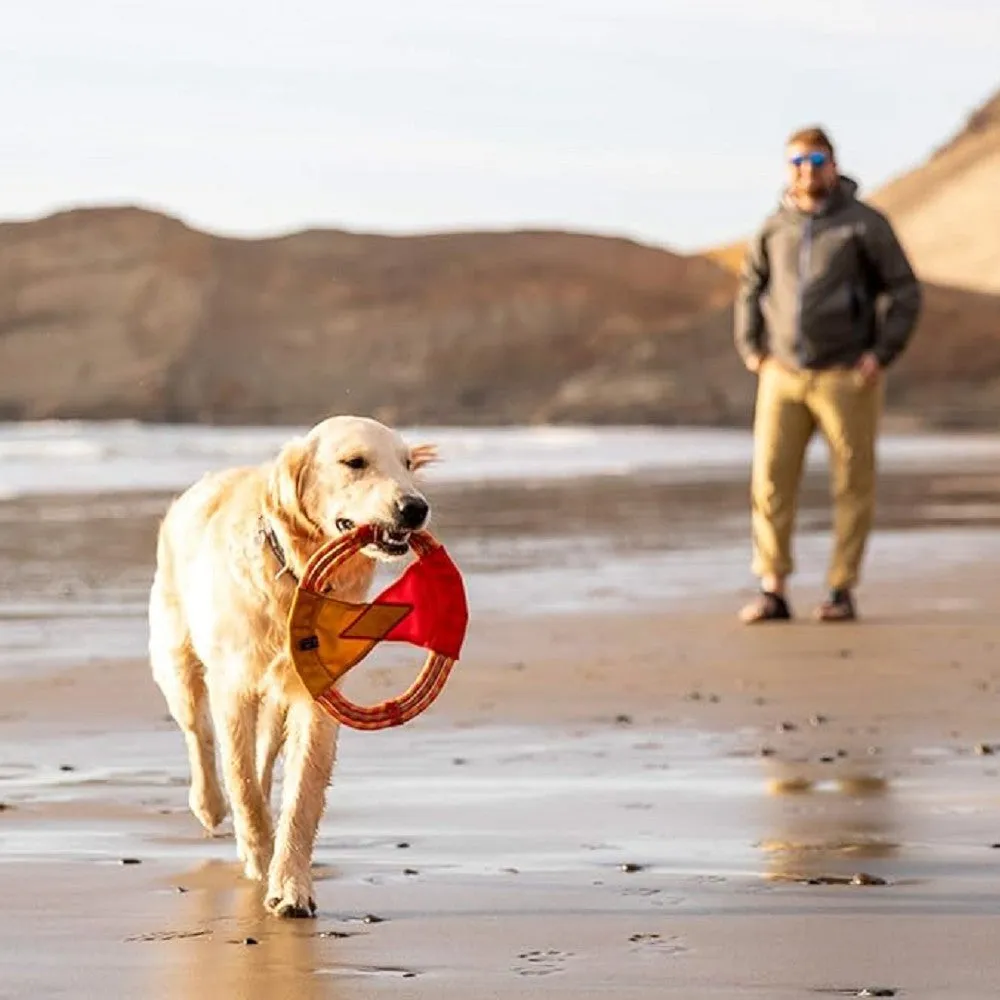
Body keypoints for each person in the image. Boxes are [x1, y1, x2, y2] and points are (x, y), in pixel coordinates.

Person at [733, 125, 922, 623]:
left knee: (852, 483)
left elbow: (904, 290)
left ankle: (841, 589)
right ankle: (771, 588)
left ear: (833, 165)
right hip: (782, 374)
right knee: (770, 481)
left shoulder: (864, 225)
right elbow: (751, 286)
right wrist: (752, 348)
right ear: (787, 167)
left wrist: (881, 353)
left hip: (846, 375)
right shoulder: (774, 226)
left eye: (816, 161)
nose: (807, 171)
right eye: (797, 161)